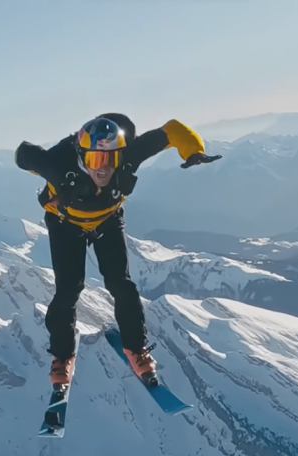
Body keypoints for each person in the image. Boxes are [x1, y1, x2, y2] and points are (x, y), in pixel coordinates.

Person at [14, 113, 222, 388]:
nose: (103, 169)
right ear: (80, 153)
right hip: (66, 227)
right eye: (95, 160)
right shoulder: (58, 162)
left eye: (111, 160)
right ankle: (62, 355)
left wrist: (194, 151)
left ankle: (136, 348)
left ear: (120, 154)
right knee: (68, 291)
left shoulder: (128, 156)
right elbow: (24, 155)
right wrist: (45, 178)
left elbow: (172, 131)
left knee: (121, 285)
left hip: (107, 221)